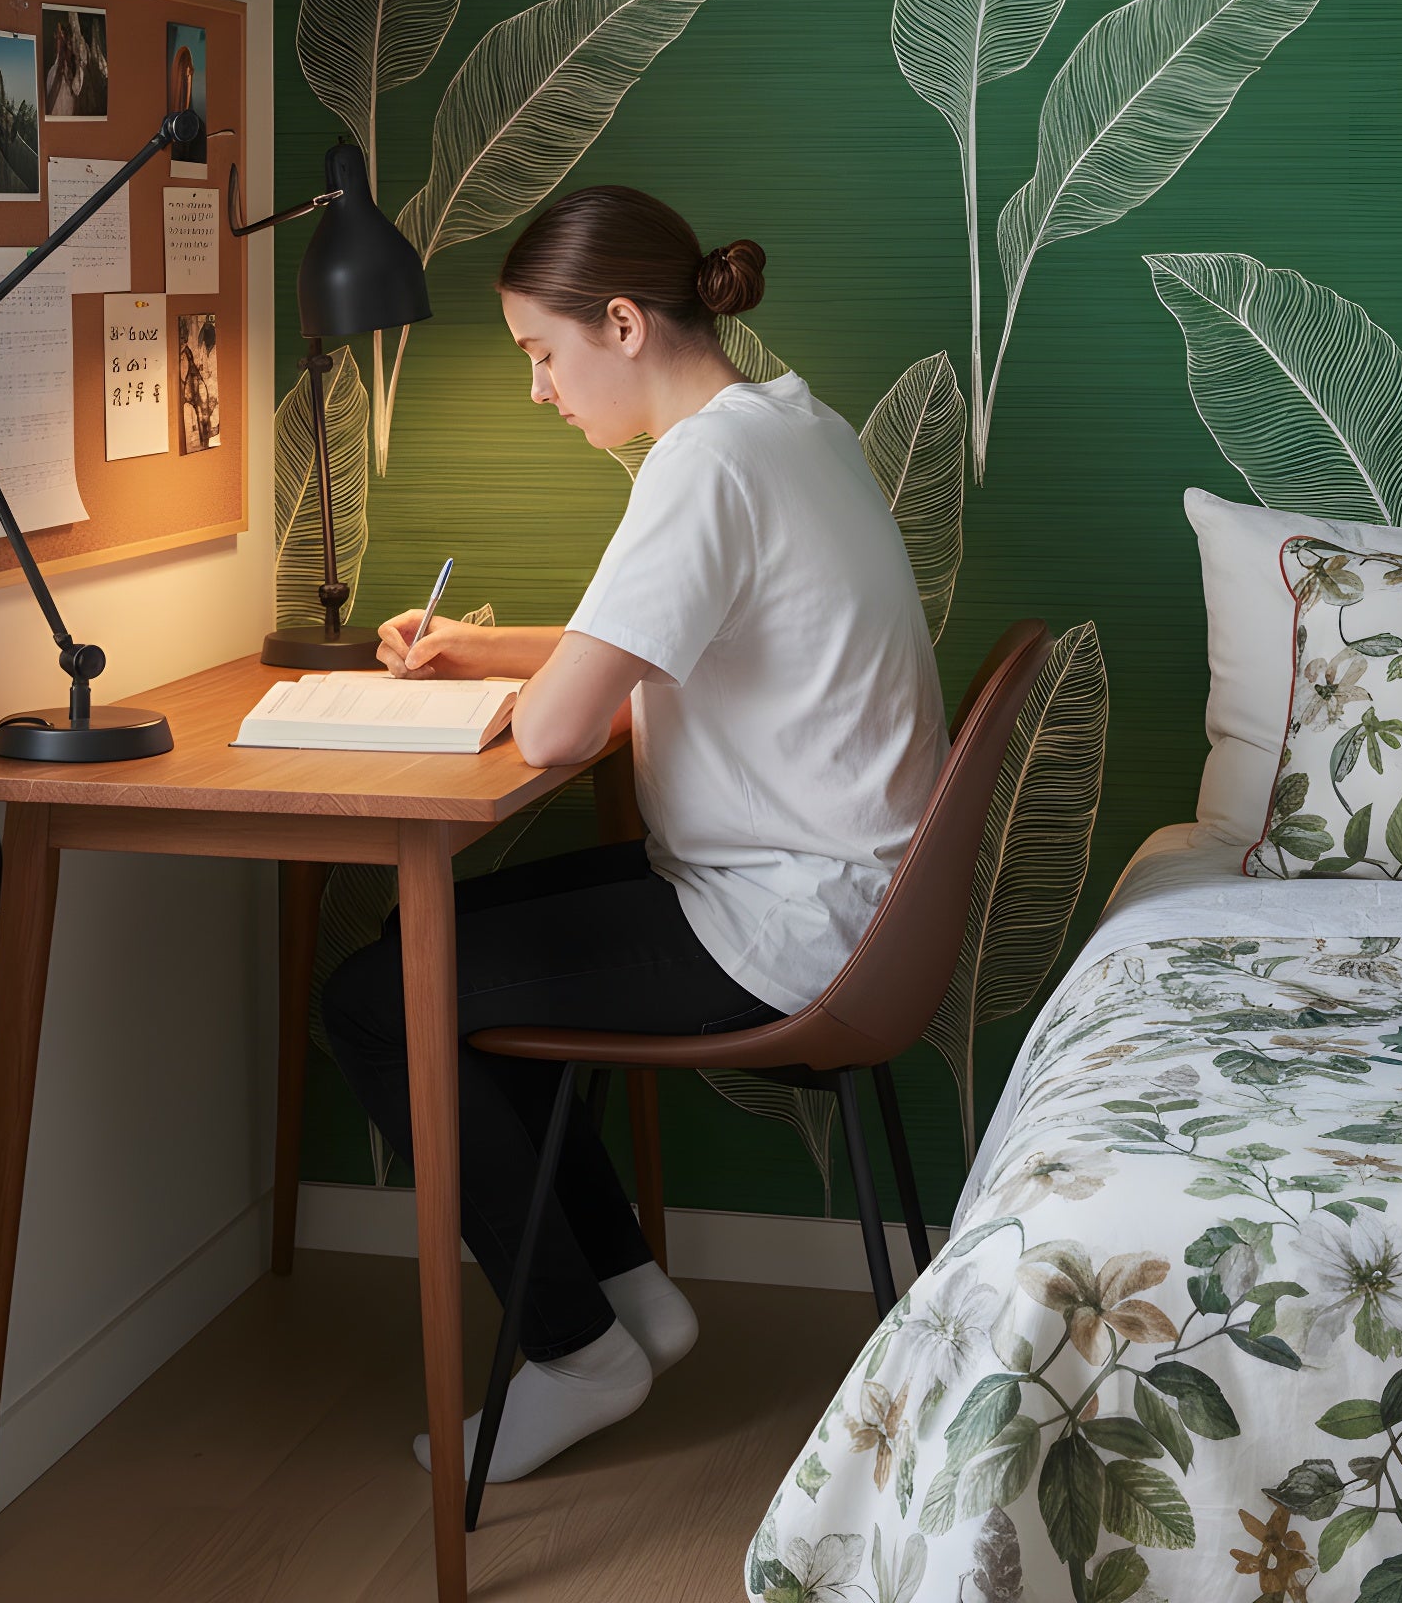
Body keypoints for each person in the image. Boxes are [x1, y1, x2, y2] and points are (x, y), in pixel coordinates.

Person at [322, 185, 947, 1487]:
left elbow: (554, 736)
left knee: (384, 996)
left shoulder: (703, 464)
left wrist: (512, 690)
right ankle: (623, 1293)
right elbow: (665, 640)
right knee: (448, 947)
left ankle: (574, 1348)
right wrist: (480, 649)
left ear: (619, 323)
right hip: (843, 895)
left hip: (785, 923)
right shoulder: (784, 424)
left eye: (541, 356)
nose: (541, 392)